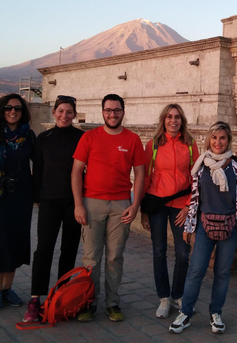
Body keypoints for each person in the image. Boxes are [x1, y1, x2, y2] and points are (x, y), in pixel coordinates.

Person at [169, 121, 237, 335]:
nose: (218, 142)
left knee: (222, 272)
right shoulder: (201, 164)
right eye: (214, 138)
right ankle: (186, 312)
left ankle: (216, 313)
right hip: (205, 226)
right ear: (208, 140)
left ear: (228, 140)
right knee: (196, 270)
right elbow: (195, 199)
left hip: (230, 226)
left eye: (222, 138)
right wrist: (189, 227)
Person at [72, 94, 147, 323]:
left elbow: (141, 173)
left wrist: (135, 205)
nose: (112, 114)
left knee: (115, 257)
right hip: (91, 203)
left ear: (123, 112)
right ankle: (89, 303)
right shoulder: (89, 138)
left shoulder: (132, 139)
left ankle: (112, 303)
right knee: (91, 258)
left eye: (116, 110)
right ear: (102, 112)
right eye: (108, 110)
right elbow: (76, 171)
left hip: (121, 205)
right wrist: (78, 204)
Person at [23, 95, 84, 322]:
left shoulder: (82, 138)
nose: (64, 116)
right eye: (60, 111)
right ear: (54, 112)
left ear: (75, 115)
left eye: (69, 112)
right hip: (49, 201)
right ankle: (35, 298)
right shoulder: (44, 138)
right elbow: (37, 170)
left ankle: (61, 296)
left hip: (73, 203)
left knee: (68, 250)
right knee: (44, 250)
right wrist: (37, 198)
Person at [140, 104, 199, 319]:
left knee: (183, 253)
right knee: (159, 251)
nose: (173, 121)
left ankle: (178, 294)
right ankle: (164, 297)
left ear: (182, 120)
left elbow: (196, 178)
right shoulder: (154, 144)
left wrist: (188, 205)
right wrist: (143, 210)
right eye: (169, 117)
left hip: (181, 204)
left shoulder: (190, 145)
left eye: (177, 117)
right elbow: (146, 177)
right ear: (163, 120)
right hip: (157, 203)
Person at [0, 93, 35, 310]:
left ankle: (7, 288)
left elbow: (40, 162)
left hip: (22, 194)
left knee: (16, 239)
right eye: (8, 108)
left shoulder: (29, 135)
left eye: (17, 108)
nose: (13, 111)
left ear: (23, 112)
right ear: (1, 110)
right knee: (1, 239)